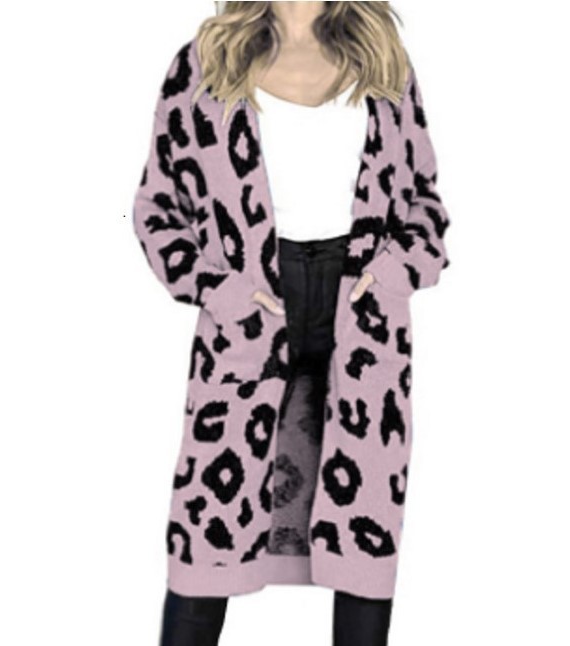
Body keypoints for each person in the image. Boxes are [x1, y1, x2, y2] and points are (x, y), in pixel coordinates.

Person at [132, 2, 451, 644]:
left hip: (362, 319)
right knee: (208, 530)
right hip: (248, 318)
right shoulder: (205, 62)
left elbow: (423, 204)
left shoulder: (383, 57)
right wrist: (219, 291)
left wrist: (392, 274)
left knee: (364, 535)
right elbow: (158, 208)